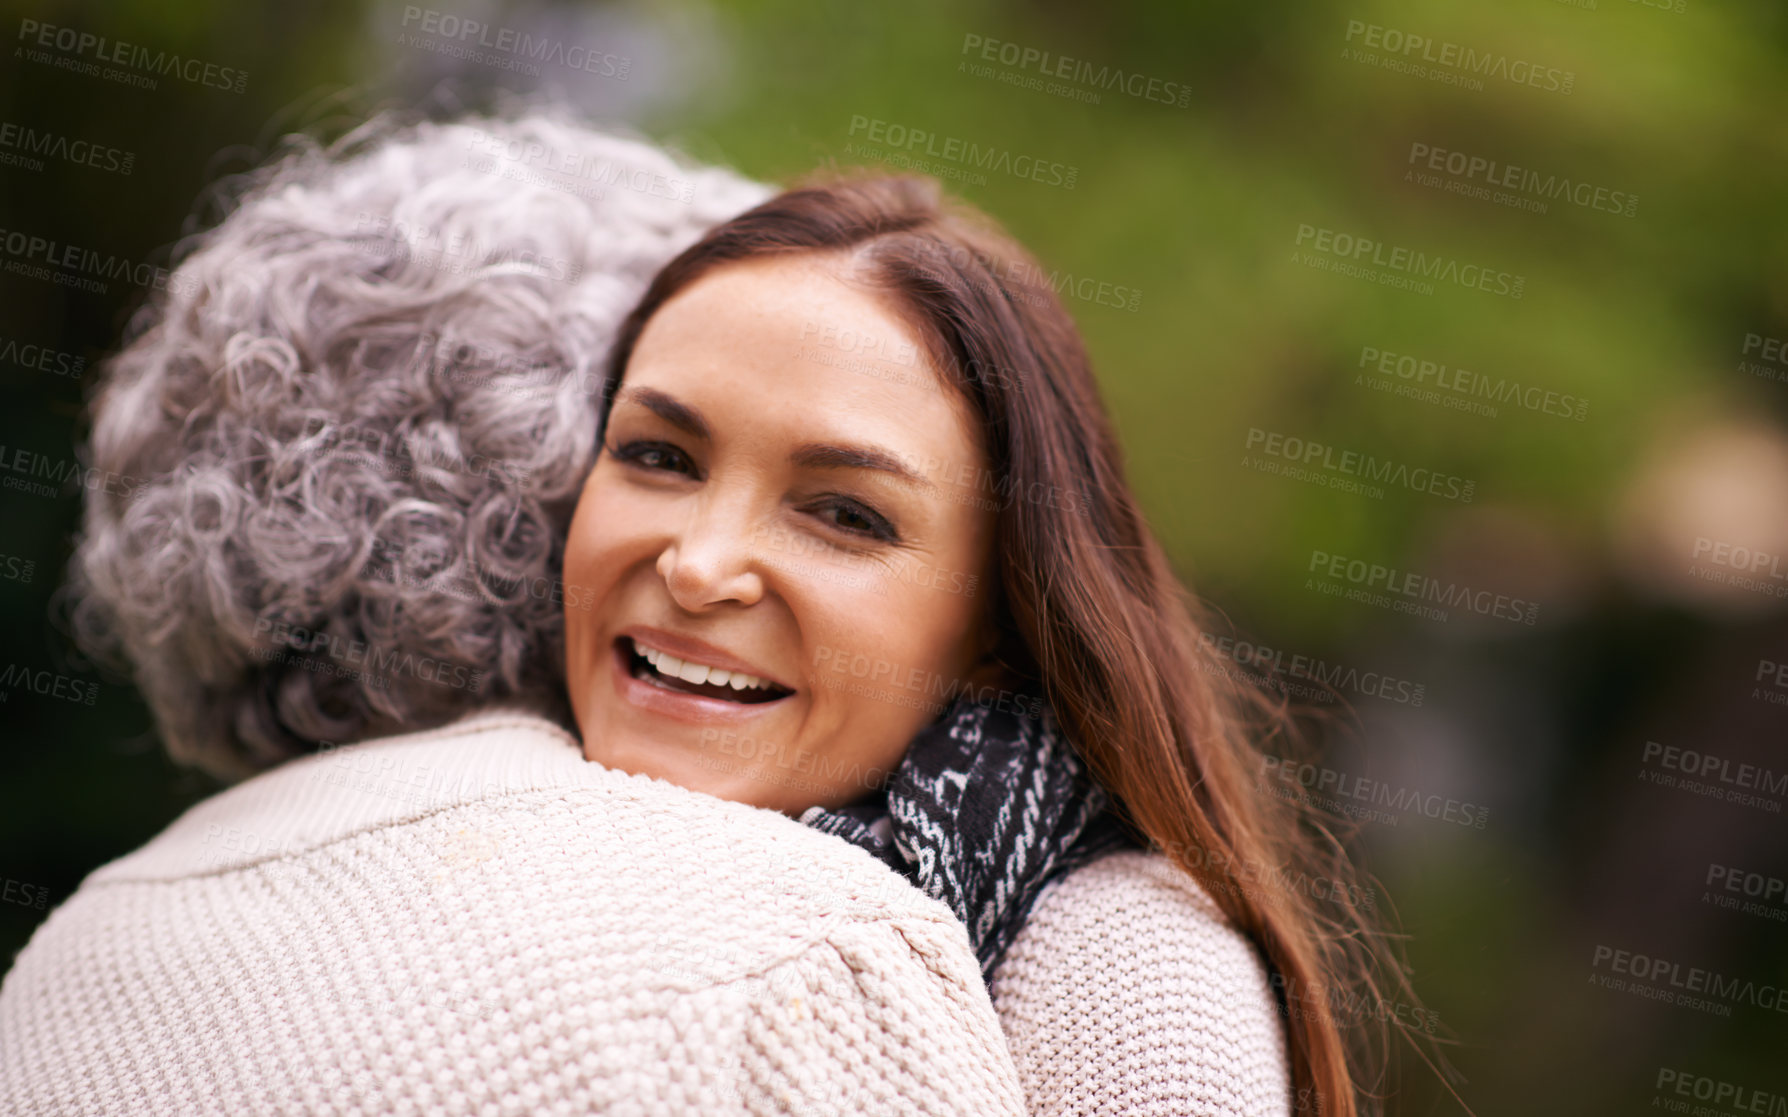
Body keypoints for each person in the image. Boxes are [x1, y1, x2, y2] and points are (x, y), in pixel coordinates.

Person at [7, 107, 1432, 1115]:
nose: (699, 563)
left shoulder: (1120, 958)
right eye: (659, 455)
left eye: (844, 512)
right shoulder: (429, 834)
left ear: (1000, 615)